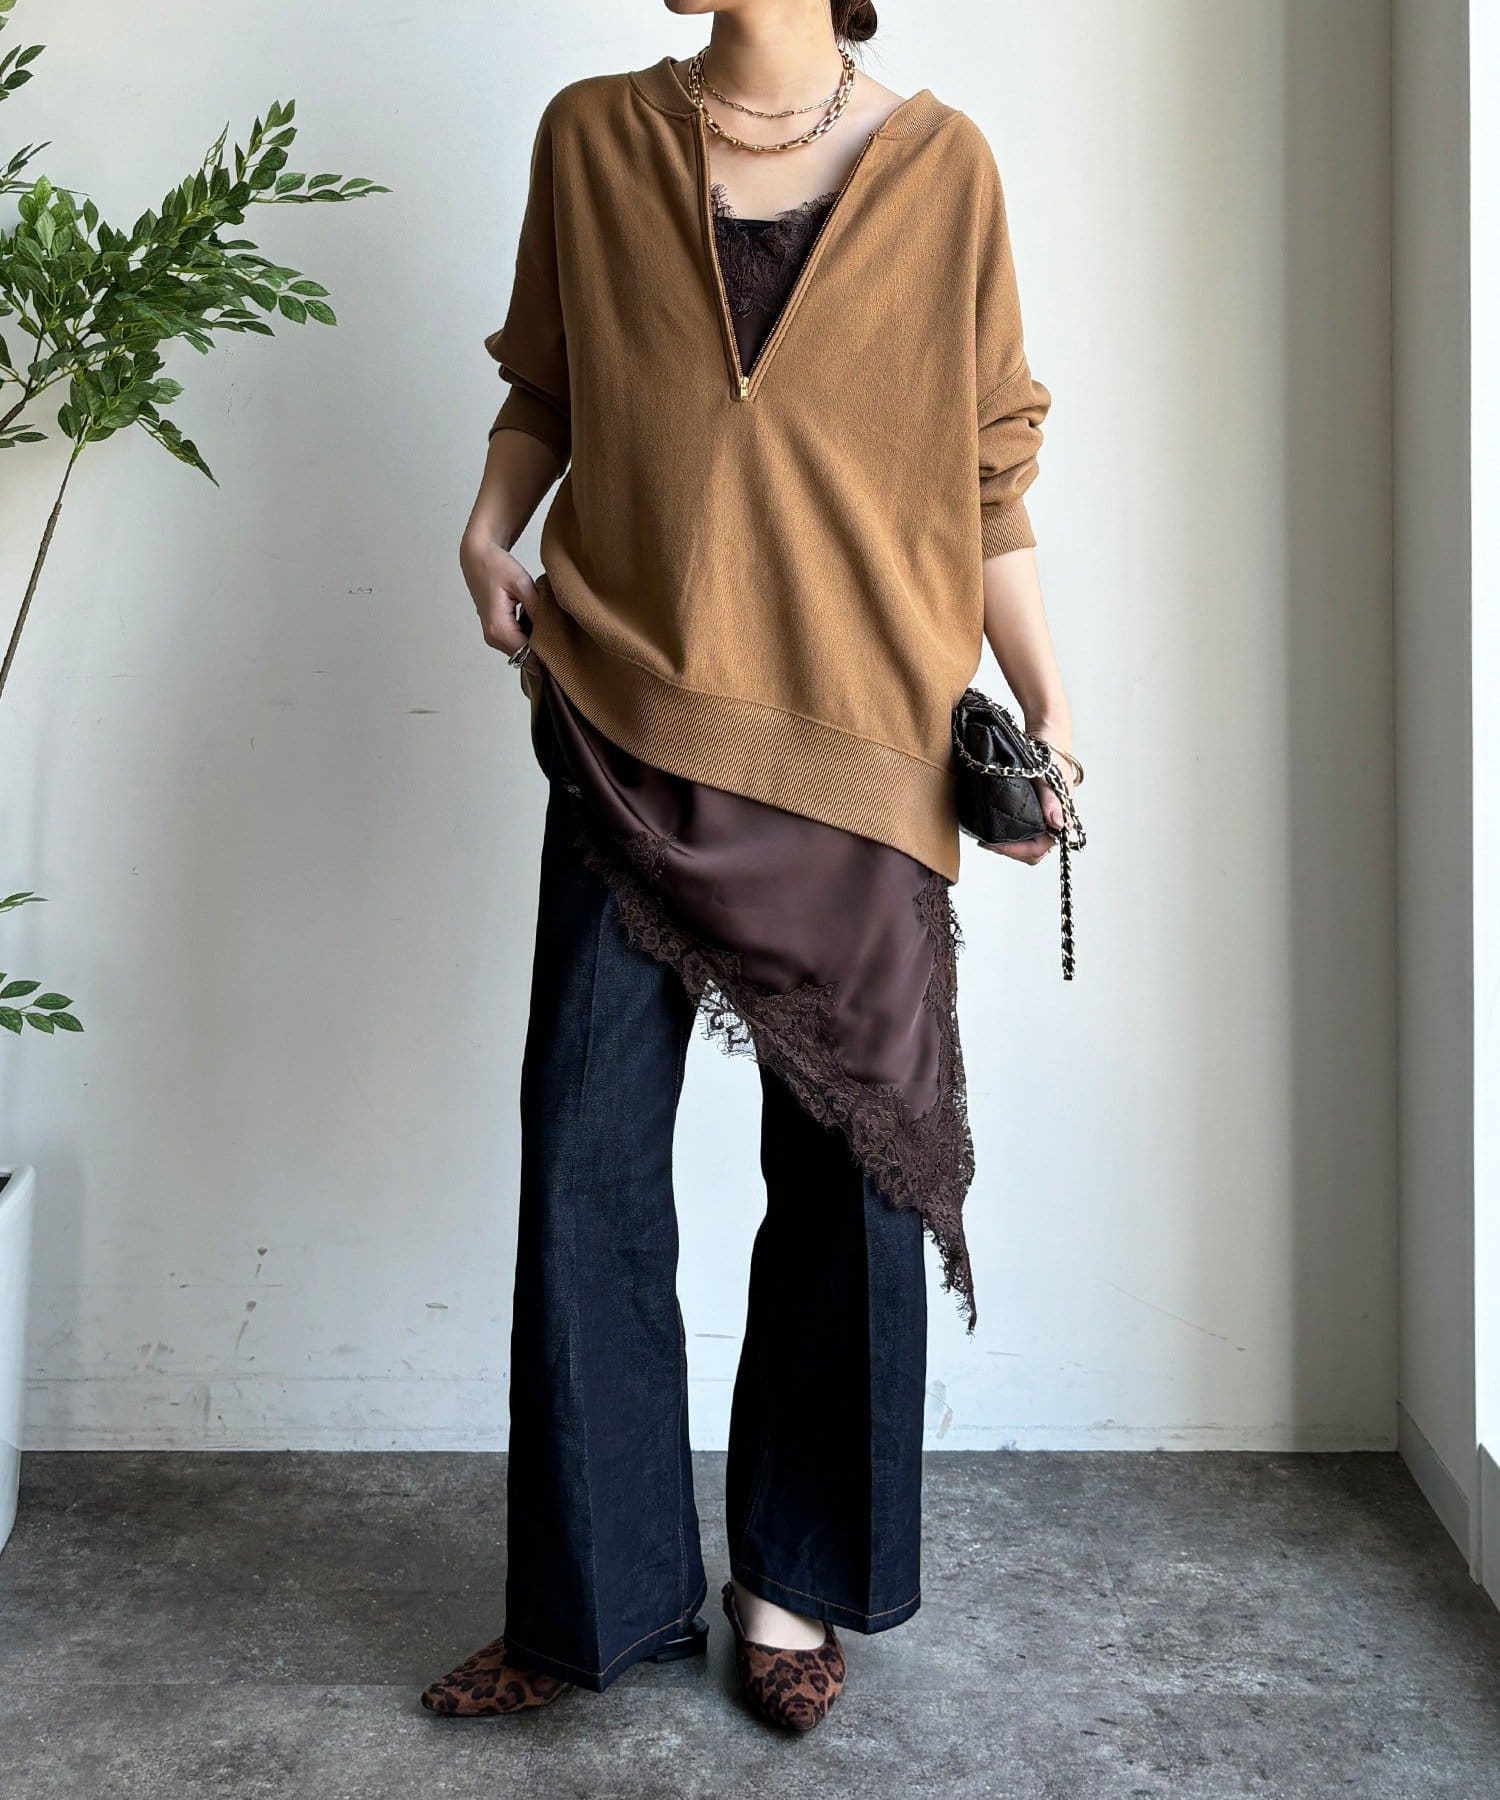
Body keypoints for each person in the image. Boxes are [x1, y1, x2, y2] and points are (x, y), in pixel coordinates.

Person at [423, 0, 1077, 1735]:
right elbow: (548, 390)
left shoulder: (944, 170)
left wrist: (1053, 713)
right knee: (583, 1156)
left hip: (858, 747)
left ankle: (792, 1585)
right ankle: (592, 1602)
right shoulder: (591, 136)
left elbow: (990, 475)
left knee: (853, 1188)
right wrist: (486, 530)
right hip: (627, 716)